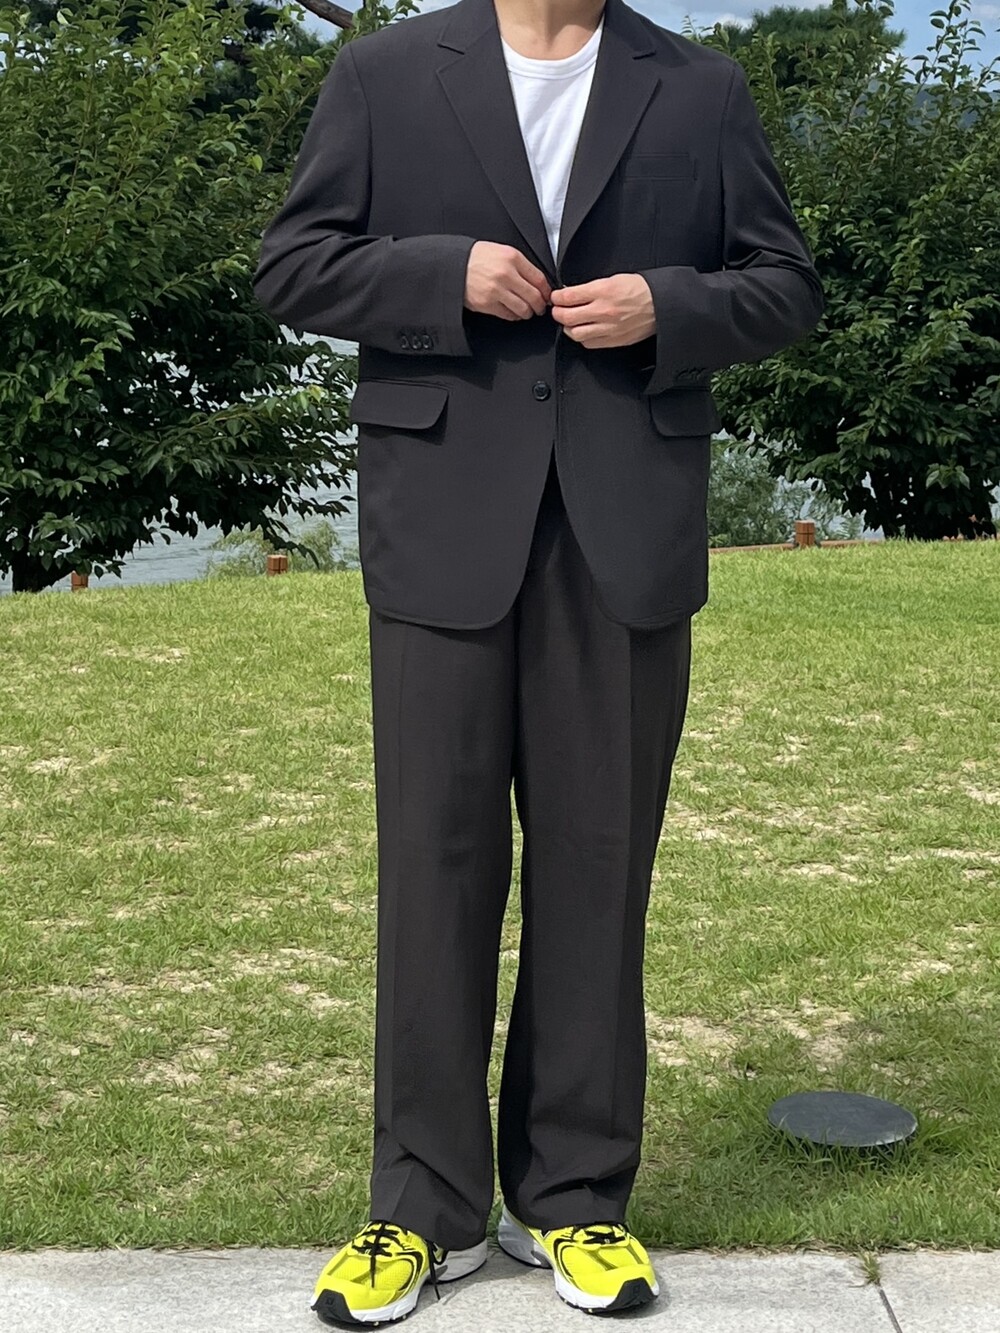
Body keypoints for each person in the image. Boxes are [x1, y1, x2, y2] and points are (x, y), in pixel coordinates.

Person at [252, 0, 823, 1321]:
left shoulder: (700, 89)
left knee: (598, 868)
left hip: (625, 536)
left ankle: (573, 1199)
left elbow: (785, 284)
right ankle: (420, 1209)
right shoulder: (386, 74)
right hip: (442, 530)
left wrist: (668, 305)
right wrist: (440, 274)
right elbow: (293, 265)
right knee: (434, 869)